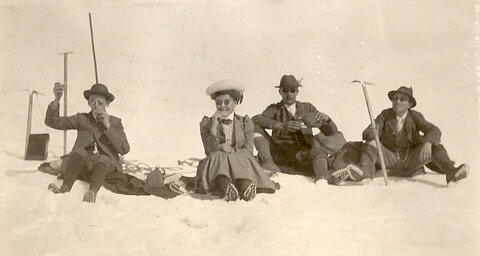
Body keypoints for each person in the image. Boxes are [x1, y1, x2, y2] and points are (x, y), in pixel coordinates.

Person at [336, 86, 469, 185]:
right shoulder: (385, 115)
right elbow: (366, 132)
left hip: (410, 159)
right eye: (395, 99)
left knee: (436, 145)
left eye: (402, 99)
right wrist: (373, 131)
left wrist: (428, 142)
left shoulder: (415, 116)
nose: (397, 102)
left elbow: (434, 130)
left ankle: (451, 172)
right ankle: (365, 174)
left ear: (409, 104)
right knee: (372, 143)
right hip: (389, 158)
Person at [45, 82, 130, 202]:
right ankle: (64, 188)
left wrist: (108, 126)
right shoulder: (82, 119)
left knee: (103, 158)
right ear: (88, 103)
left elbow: (124, 149)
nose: (96, 105)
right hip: (84, 163)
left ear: (107, 104)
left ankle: (92, 193)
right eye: (92, 101)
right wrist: (56, 100)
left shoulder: (115, 122)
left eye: (100, 102)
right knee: (78, 153)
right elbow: (52, 122)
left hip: (106, 165)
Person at [252, 75, 345, 182]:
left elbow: (331, 132)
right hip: (279, 154)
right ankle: (268, 163)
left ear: (297, 92)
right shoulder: (274, 109)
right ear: (280, 92)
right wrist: (280, 125)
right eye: (285, 91)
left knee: (319, 151)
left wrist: (327, 120)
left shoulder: (308, 108)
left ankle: (322, 177)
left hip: (303, 155)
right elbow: (256, 119)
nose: (289, 94)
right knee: (255, 127)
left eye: (292, 91)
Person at [195, 80, 276, 201]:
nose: (222, 106)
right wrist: (213, 129)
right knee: (217, 156)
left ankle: (245, 186)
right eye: (218, 103)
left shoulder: (245, 122)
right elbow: (208, 151)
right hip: (218, 164)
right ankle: (227, 187)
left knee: (244, 158)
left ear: (236, 102)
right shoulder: (206, 123)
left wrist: (232, 150)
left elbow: (248, 150)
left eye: (227, 102)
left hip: (240, 162)